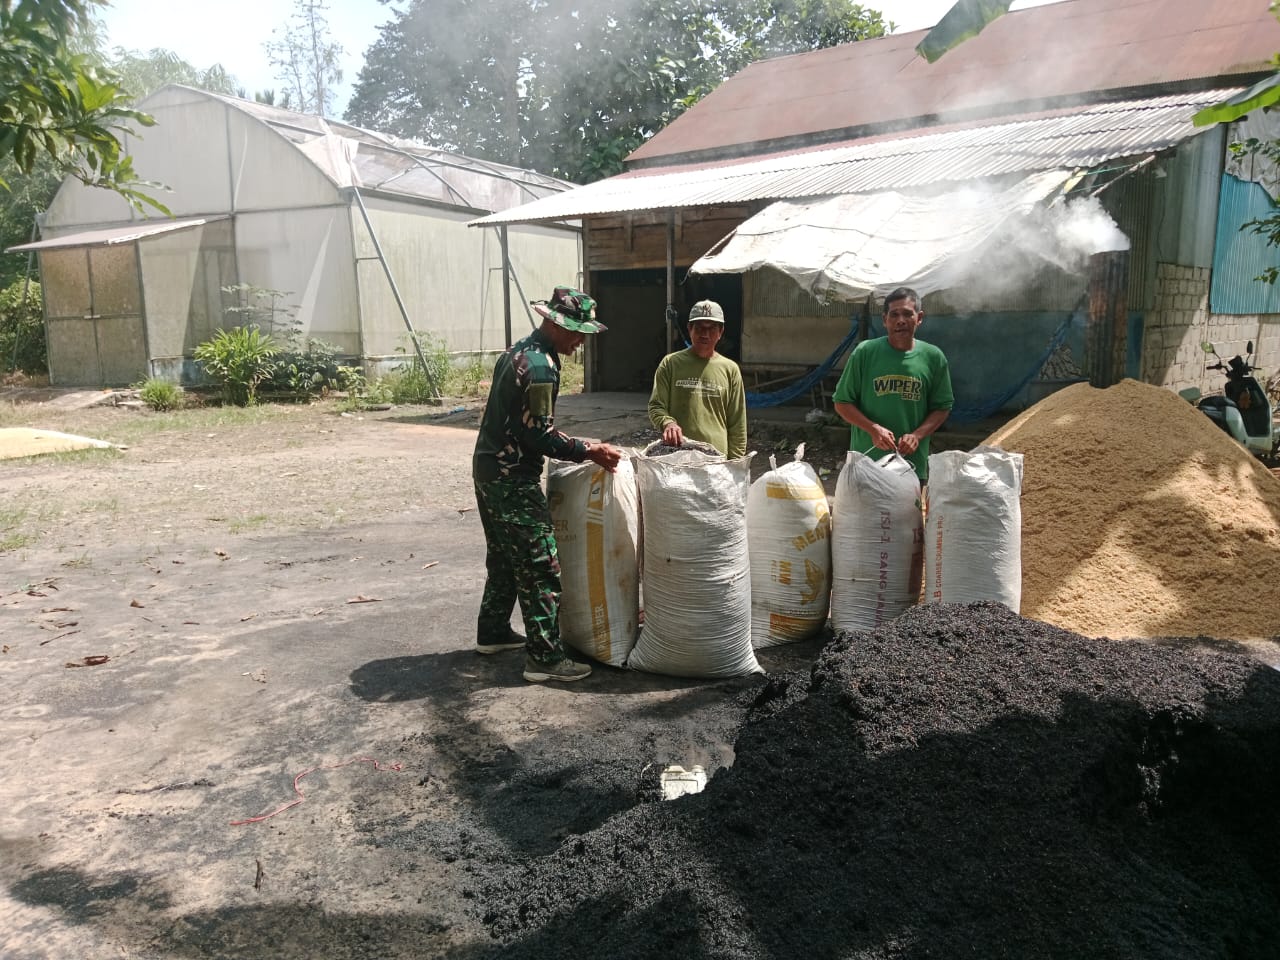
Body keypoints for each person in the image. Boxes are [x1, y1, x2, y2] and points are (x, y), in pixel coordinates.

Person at [472, 285, 623, 683]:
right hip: (511, 478)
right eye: (576, 332)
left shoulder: (518, 351)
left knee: (505, 557)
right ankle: (543, 657)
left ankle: (492, 633)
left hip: (487, 470)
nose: (580, 341)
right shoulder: (540, 367)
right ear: (554, 324)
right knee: (541, 564)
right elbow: (538, 436)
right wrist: (589, 450)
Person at [831, 286, 954, 483]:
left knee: (907, 514)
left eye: (907, 314)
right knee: (864, 515)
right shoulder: (865, 353)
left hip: (910, 466)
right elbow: (842, 403)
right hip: (867, 464)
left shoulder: (933, 357)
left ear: (919, 318)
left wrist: (917, 435)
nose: (901, 321)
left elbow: (942, 407)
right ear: (884, 319)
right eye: (894, 314)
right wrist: (873, 429)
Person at [647, 299, 748, 458]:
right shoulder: (670, 364)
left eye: (712, 328)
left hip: (717, 460)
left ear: (720, 332)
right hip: (677, 456)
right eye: (699, 327)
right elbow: (656, 406)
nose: (705, 334)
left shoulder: (730, 370)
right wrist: (668, 423)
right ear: (689, 329)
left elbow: (737, 423)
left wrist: (735, 465)